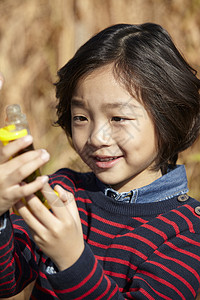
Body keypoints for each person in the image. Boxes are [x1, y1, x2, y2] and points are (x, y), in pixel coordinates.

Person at [0, 23, 200, 300]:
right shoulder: (64, 191)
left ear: (170, 116)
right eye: (81, 117)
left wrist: (72, 259)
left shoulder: (186, 231)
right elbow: (6, 280)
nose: (96, 137)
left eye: (118, 118)